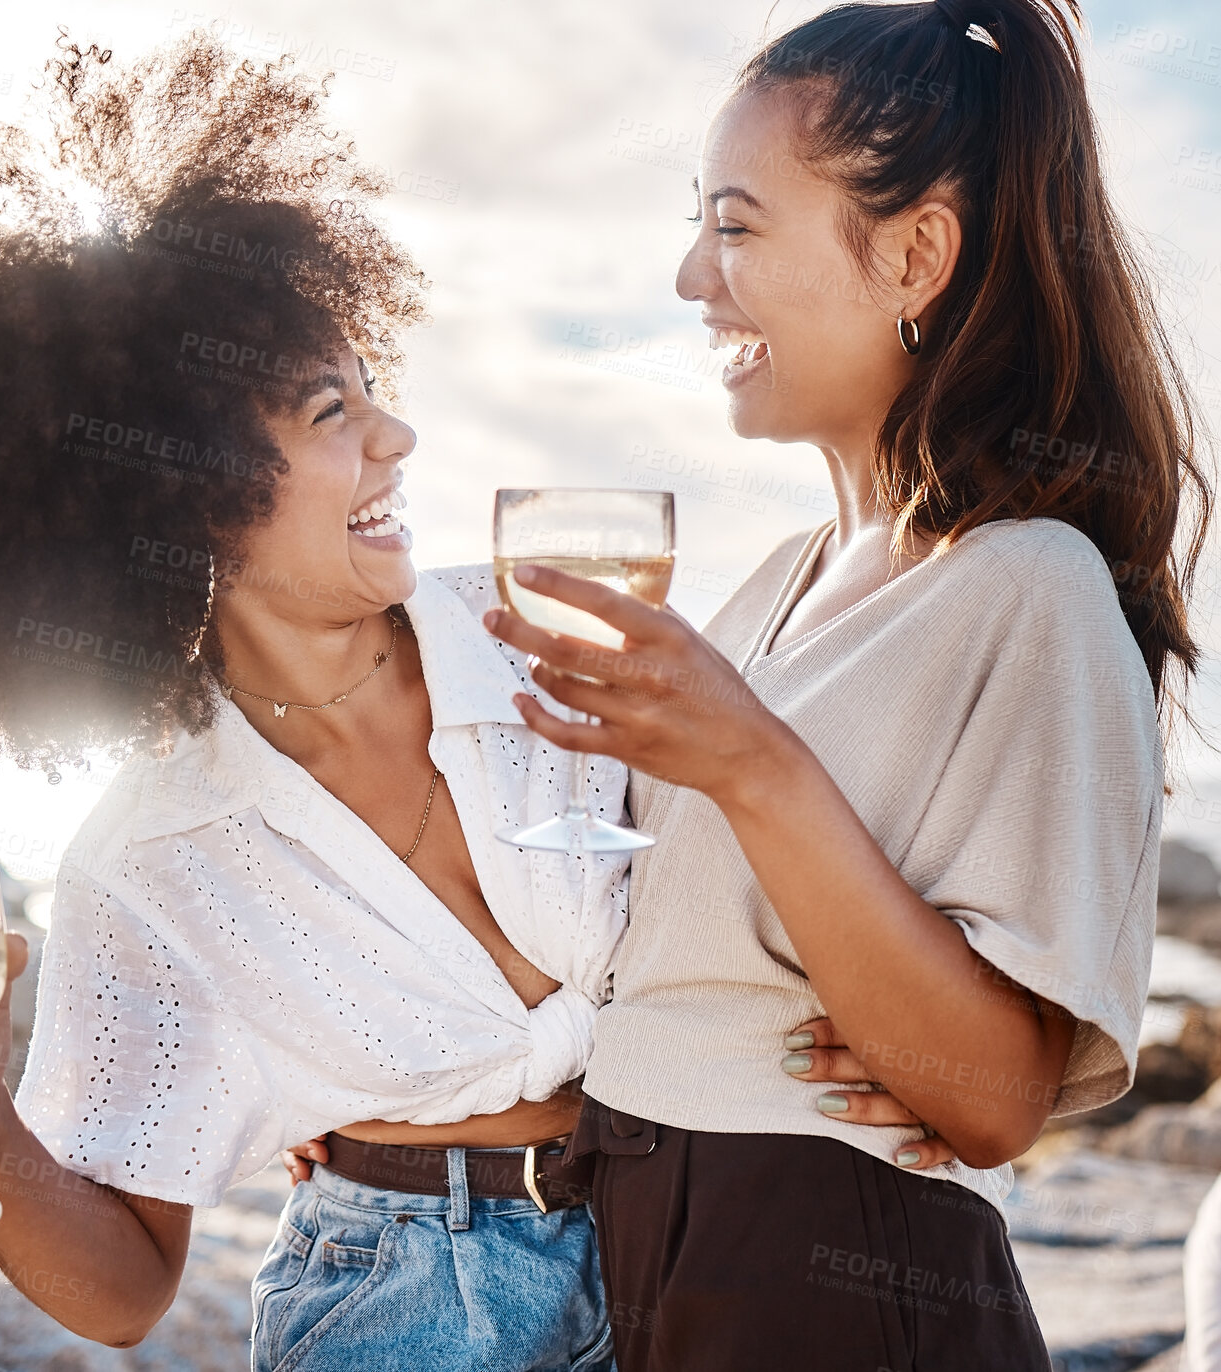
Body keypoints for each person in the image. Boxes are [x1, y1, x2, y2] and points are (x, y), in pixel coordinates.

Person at [0, 31, 933, 1371]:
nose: (396, 438)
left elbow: (782, 873)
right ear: (188, 492)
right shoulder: (148, 863)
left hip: (693, 1245)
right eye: (332, 411)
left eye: (372, 392)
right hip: (397, 1310)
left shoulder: (548, 638)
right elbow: (122, 1293)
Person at [483, 0, 1213, 1368]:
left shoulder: (1031, 585)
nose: (693, 277)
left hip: (826, 1277)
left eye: (737, 224)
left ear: (913, 253)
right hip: (653, 1251)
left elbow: (993, 1100)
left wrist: (754, 769)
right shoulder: (775, 578)